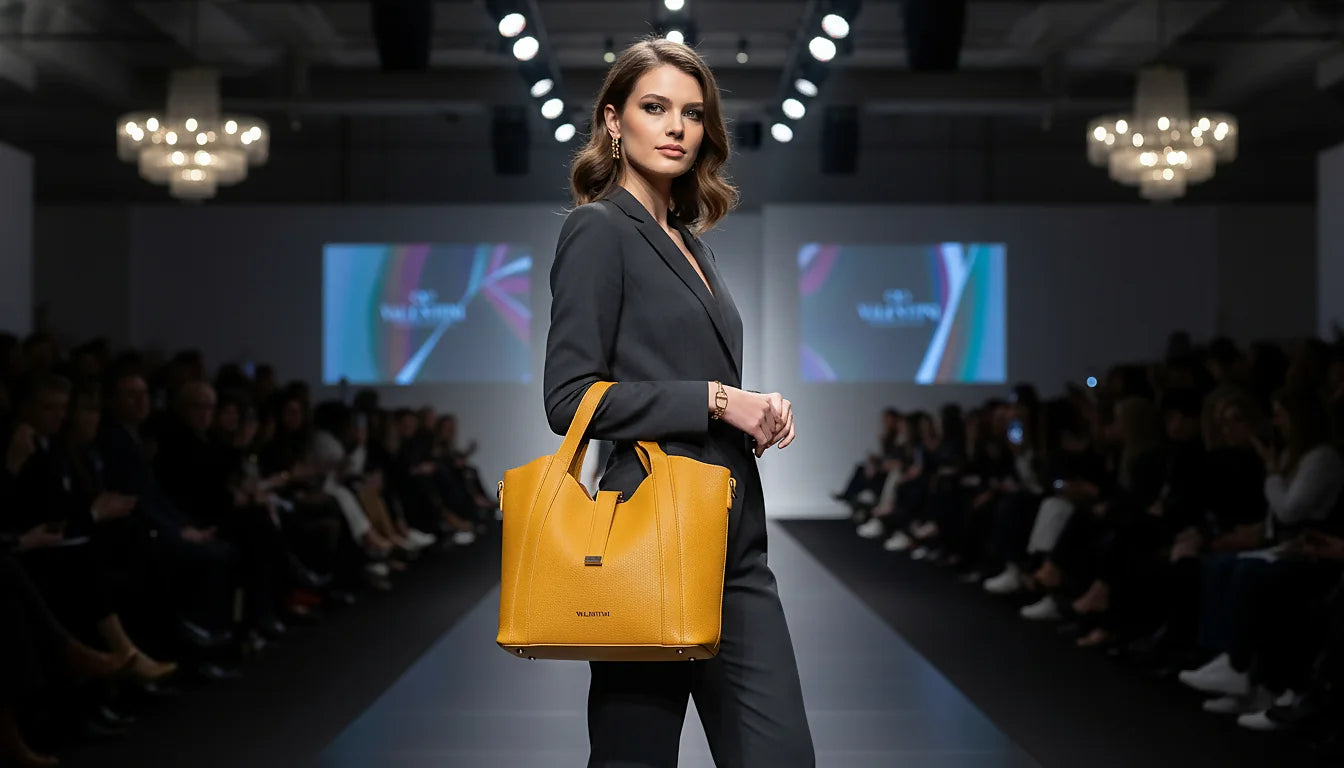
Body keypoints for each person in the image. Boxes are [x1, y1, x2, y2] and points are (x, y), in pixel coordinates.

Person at [541, 37, 813, 767]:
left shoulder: (695, 244)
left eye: (692, 113)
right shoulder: (596, 230)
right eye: (654, 107)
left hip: (734, 535)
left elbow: (688, 369)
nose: (676, 127)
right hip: (645, 535)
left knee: (780, 754)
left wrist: (752, 408)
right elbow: (569, 399)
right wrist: (718, 401)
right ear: (613, 120)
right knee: (637, 756)